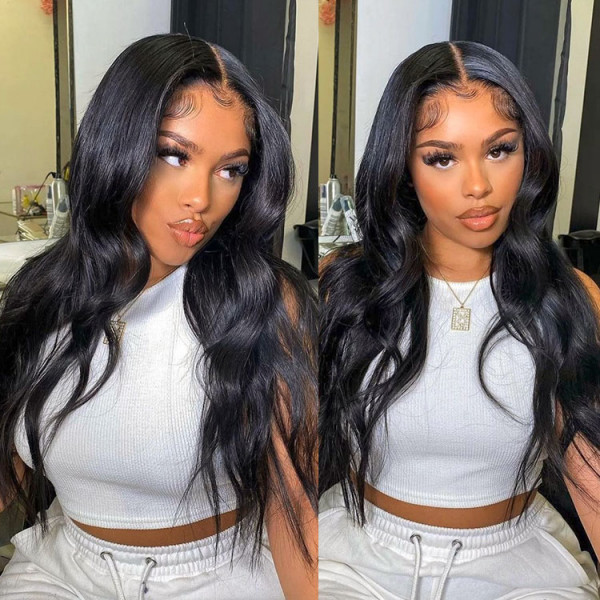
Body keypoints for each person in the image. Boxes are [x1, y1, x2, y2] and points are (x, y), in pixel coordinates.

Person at [0, 34, 317, 599]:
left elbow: (293, 507)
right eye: (174, 154)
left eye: (231, 169)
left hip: (211, 579)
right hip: (58, 574)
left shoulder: (262, 306)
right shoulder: (41, 294)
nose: (201, 198)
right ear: (116, 146)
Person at [319, 41, 600, 599]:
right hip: (359, 559)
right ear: (402, 166)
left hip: (515, 569)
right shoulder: (348, 287)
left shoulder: (569, 298)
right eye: (441, 158)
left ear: (529, 152)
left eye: (499, 150)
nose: (477, 186)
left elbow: (588, 470)